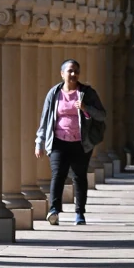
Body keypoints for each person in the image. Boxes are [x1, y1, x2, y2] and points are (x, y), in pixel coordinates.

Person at [34, 58, 106, 226]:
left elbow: (102, 115)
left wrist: (85, 108)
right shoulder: (54, 94)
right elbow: (45, 119)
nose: (73, 74)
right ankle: (54, 210)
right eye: (70, 71)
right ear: (62, 74)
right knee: (58, 174)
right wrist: (39, 142)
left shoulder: (87, 93)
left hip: (81, 143)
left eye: (76, 71)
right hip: (58, 141)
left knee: (79, 177)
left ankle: (80, 213)